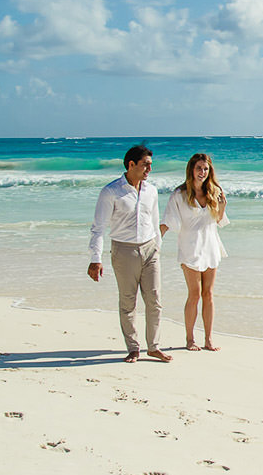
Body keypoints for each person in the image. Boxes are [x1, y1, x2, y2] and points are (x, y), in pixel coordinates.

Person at [87, 144, 173, 363]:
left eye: (151, 165)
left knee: (154, 300)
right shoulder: (111, 191)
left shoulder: (151, 191)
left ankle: (153, 347)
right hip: (123, 251)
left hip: (150, 248)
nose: (149, 170)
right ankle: (133, 348)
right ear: (131, 164)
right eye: (145, 165)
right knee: (128, 302)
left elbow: (155, 222)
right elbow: (99, 228)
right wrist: (95, 259)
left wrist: (158, 247)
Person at [161, 152, 228, 351]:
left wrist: (222, 206)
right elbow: (168, 221)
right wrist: (155, 242)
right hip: (190, 248)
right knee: (195, 294)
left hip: (211, 247)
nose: (202, 172)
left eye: (206, 169)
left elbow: (219, 221)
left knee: (208, 294)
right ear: (191, 169)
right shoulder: (179, 195)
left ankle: (208, 340)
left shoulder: (214, 191)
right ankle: (190, 339)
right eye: (199, 168)